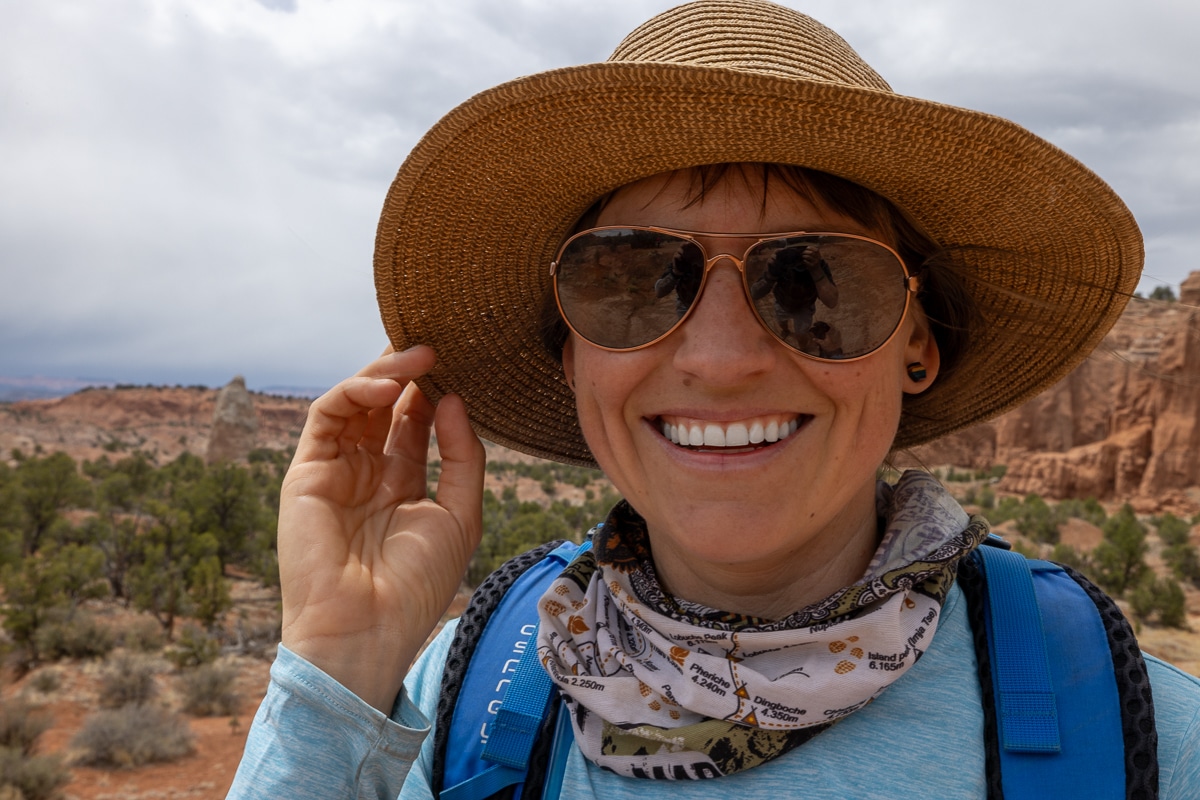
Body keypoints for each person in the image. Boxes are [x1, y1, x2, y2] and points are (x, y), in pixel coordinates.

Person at [228, 1, 1200, 797]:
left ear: (916, 339)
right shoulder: (463, 694)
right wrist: (338, 675)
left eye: (815, 281)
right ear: (569, 351)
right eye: (633, 278)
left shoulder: (1141, 734)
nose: (723, 357)